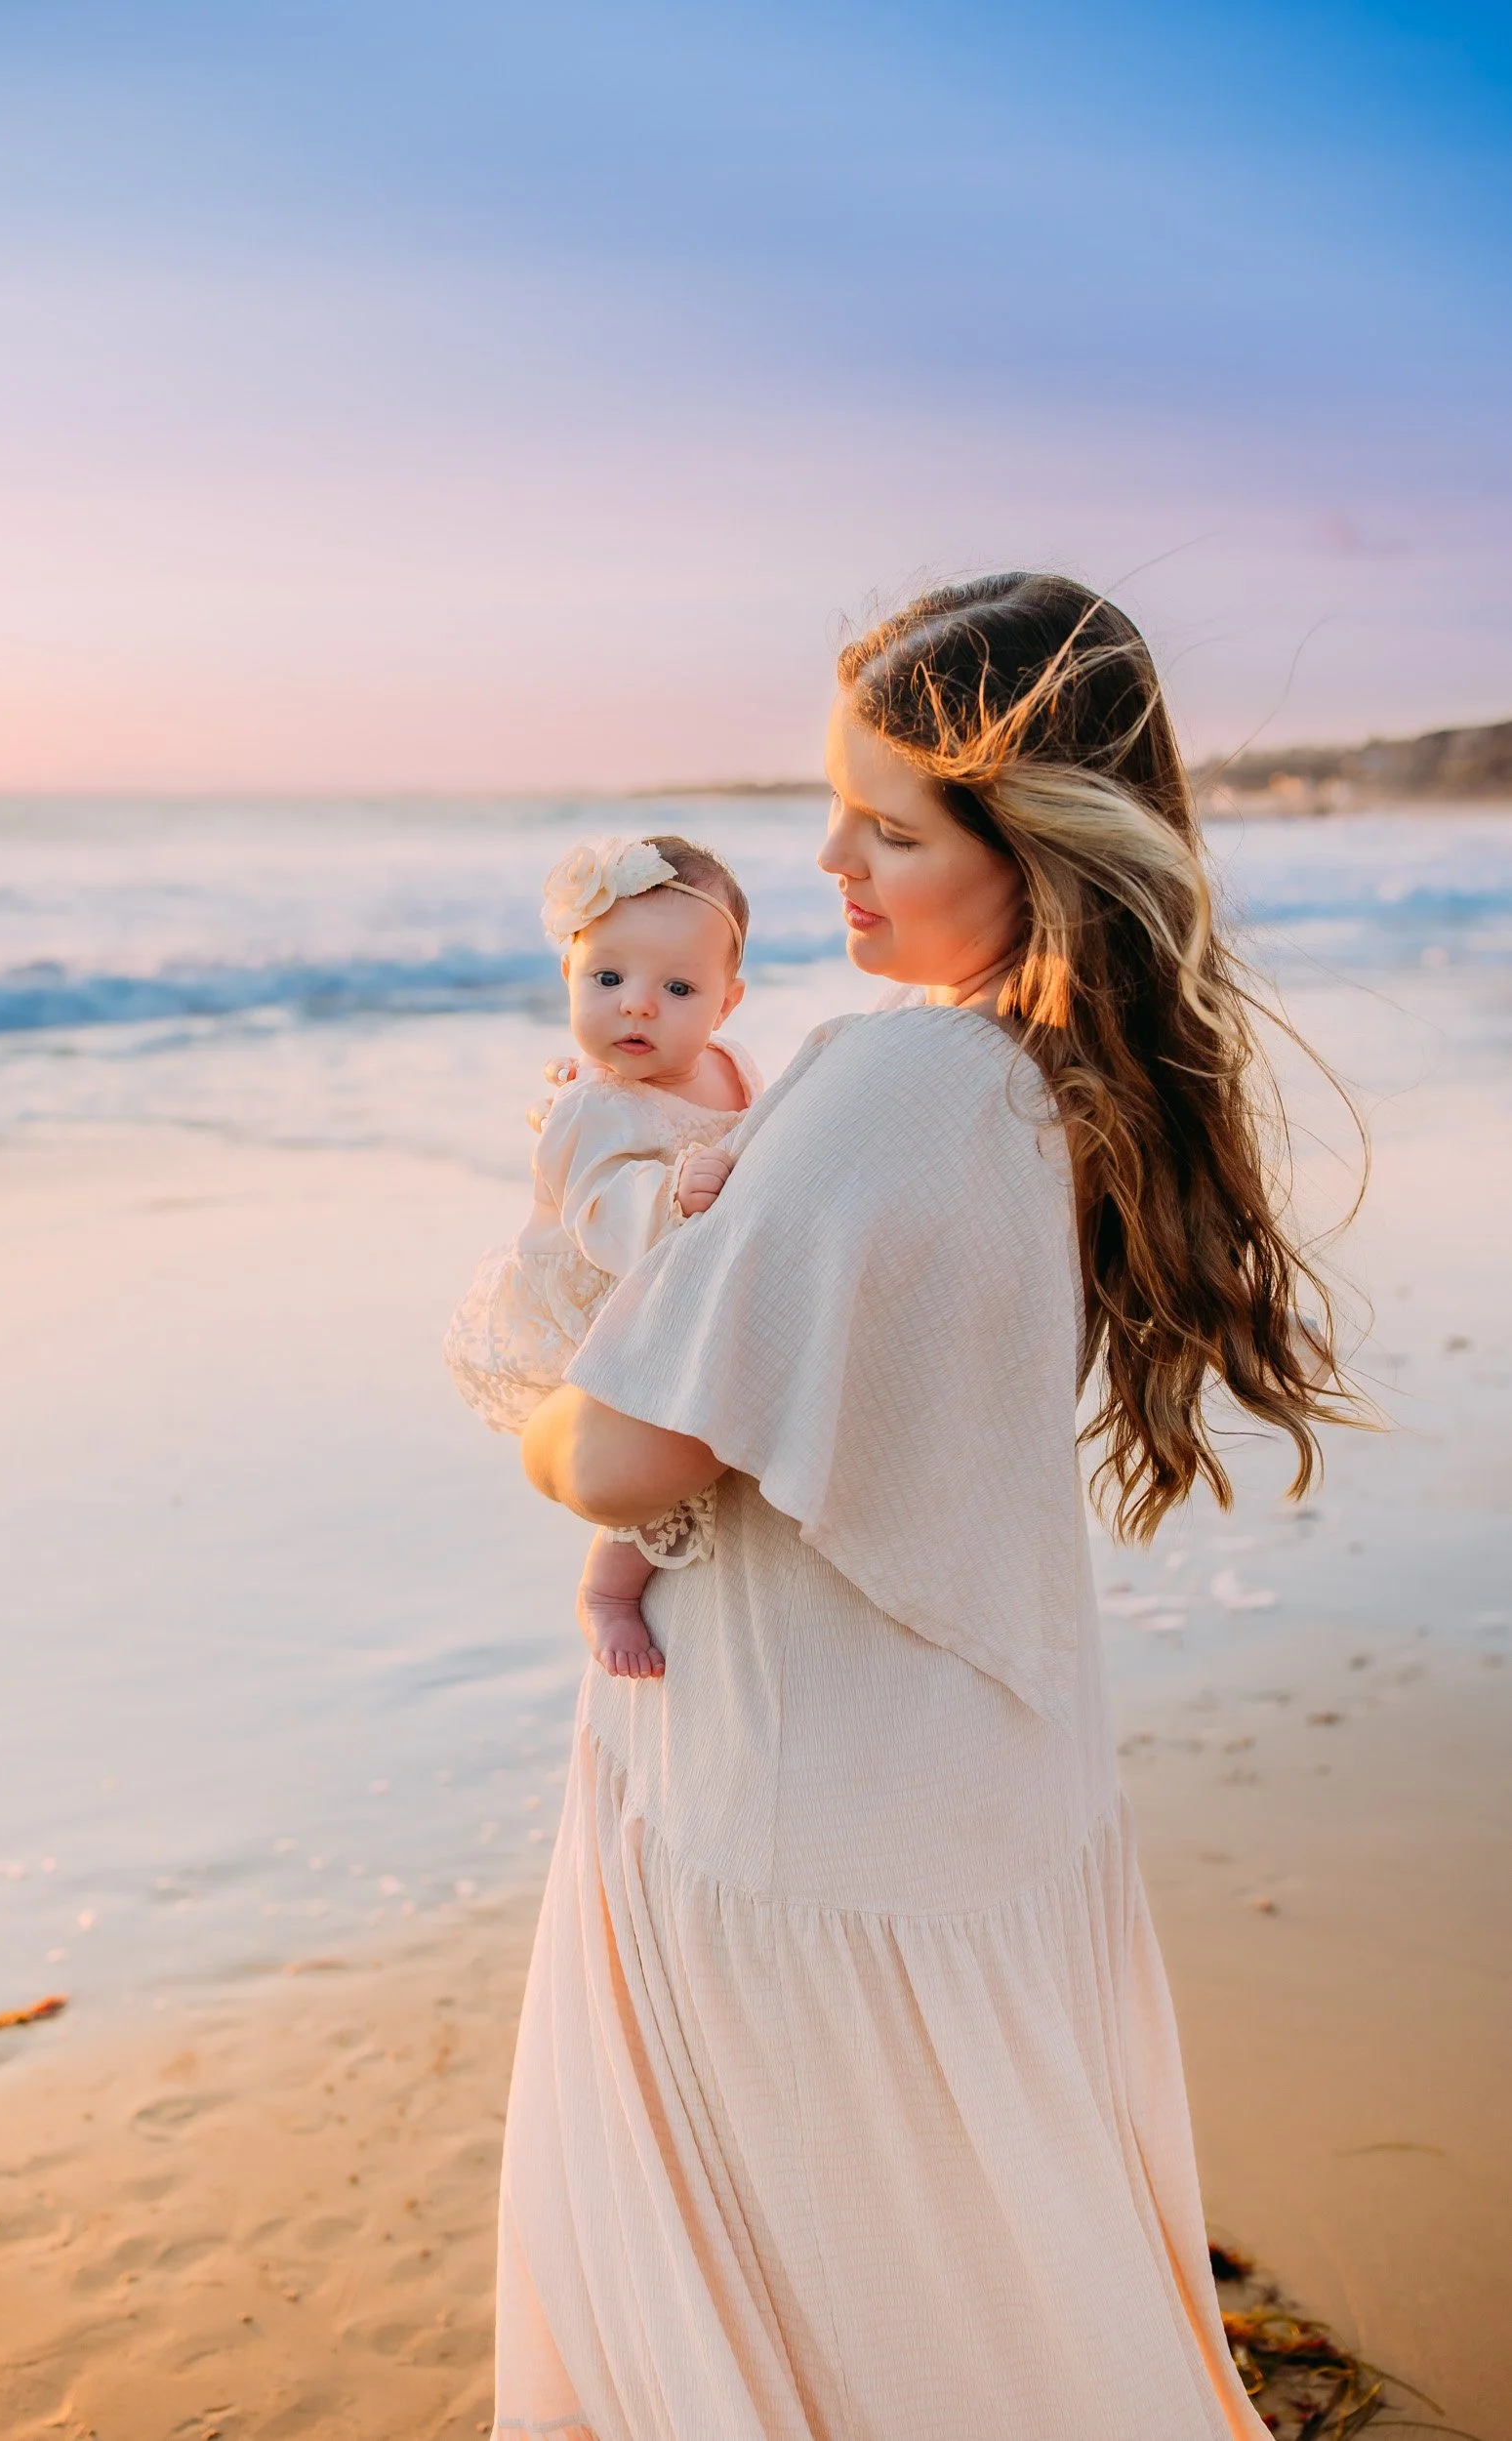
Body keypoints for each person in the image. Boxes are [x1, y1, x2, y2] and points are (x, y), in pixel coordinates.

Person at [499, 573, 1357, 2439]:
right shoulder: (1068, 1086)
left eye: (886, 826)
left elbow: (631, 1454)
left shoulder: (902, 1075)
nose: (826, 860)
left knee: (812, 2326)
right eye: (837, 810)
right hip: (957, 1799)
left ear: (1037, 846)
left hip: (798, 1832)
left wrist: (540, 1417)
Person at [444, 832, 757, 1676]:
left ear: (724, 1005)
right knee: (656, 1452)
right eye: (608, 979)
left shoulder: (729, 1067)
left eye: (678, 987)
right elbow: (600, 1210)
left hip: (676, 1285)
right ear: (569, 978)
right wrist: (670, 1196)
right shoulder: (594, 1107)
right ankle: (609, 1589)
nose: (637, 1006)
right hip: (603, 1302)